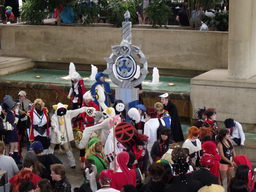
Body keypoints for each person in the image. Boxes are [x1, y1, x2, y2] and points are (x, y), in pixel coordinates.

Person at [49, 102, 95, 168]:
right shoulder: (54, 117)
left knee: (67, 148)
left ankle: (72, 164)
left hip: (64, 135)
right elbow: (54, 126)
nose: (62, 111)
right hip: (56, 135)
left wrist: (86, 109)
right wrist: (59, 134)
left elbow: (78, 111)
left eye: (63, 109)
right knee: (51, 147)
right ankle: (48, 160)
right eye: (60, 109)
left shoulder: (68, 113)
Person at [1, 95, 21, 164]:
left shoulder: (10, 113)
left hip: (12, 131)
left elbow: (15, 122)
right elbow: (13, 122)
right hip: (10, 132)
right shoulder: (9, 114)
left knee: (14, 146)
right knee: (11, 147)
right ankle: (12, 160)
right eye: (15, 106)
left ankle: (15, 159)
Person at [17, 90, 32, 154]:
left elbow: (30, 110)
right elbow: (17, 110)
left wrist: (25, 112)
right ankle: (21, 143)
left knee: (27, 132)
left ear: (24, 96)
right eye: (19, 96)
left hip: (26, 120)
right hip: (20, 120)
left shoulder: (28, 102)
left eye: (21, 96)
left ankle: (26, 144)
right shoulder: (17, 102)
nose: (20, 97)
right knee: (21, 132)